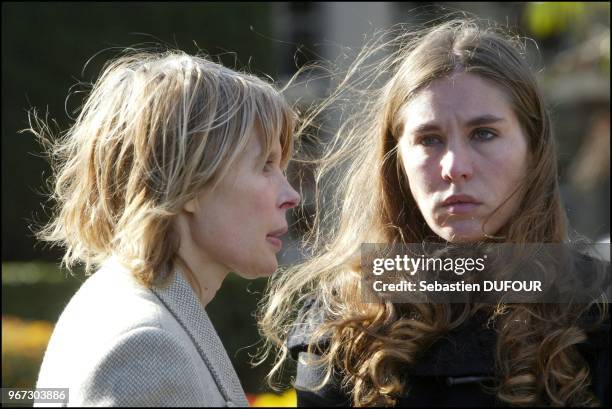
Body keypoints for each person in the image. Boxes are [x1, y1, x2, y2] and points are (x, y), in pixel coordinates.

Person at [256, 18, 609, 406]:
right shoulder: (343, 318)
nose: (455, 166)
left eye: (484, 134)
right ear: (397, 161)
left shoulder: (596, 308)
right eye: (429, 140)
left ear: (534, 149)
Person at [30, 49, 300, 406]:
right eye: (265, 165)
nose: (291, 195)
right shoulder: (145, 344)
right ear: (187, 184)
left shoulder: (128, 309)